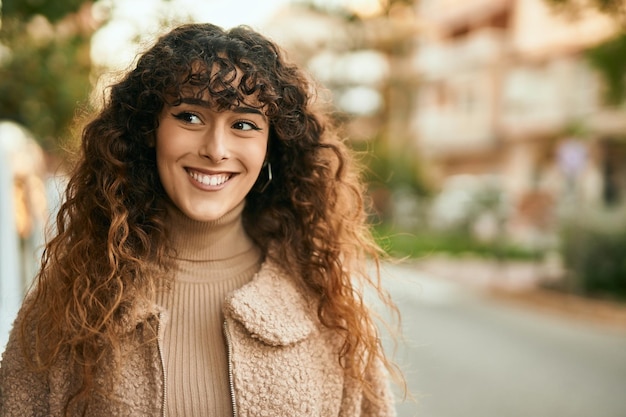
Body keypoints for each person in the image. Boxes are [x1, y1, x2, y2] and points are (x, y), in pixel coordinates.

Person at [0, 22, 400, 416]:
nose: (216, 149)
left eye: (243, 124)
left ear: (271, 148)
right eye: (190, 117)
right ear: (149, 130)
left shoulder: (325, 302)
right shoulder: (73, 295)